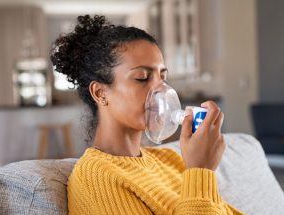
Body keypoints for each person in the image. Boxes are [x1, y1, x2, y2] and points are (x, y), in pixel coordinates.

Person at [51, 15, 243, 215]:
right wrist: (200, 171)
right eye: (142, 78)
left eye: (162, 77)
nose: (159, 89)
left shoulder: (170, 159)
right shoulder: (96, 178)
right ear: (100, 93)